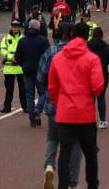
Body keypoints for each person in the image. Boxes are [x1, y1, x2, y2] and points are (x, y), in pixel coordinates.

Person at [48, 22, 104, 189]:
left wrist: (60, 103)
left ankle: (63, 186)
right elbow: (98, 87)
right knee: (90, 154)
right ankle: (92, 185)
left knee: (65, 153)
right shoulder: (92, 59)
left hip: (65, 113)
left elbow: (52, 87)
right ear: (87, 37)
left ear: (72, 35)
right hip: (85, 114)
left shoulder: (58, 58)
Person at [37, 23, 82, 189]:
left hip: (54, 105)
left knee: (52, 138)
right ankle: (72, 181)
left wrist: (47, 93)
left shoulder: (50, 53)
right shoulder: (81, 54)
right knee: (76, 143)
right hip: (75, 106)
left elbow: (41, 77)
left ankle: (49, 166)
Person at [86, 27, 109, 129]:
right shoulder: (107, 48)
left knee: (90, 99)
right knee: (101, 98)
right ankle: (102, 121)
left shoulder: (86, 47)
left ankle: (89, 120)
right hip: (102, 76)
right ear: (102, 35)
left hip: (89, 76)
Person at [17, 19, 51, 127]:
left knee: (29, 96)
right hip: (41, 72)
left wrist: (23, 65)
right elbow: (48, 56)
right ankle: (38, 109)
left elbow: (17, 57)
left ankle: (32, 119)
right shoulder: (43, 40)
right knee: (43, 92)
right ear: (38, 28)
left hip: (27, 71)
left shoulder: (22, 41)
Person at [0, 20, 27, 113]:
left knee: (23, 89)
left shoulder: (23, 38)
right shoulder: (6, 38)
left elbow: (25, 51)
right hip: (9, 68)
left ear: (20, 28)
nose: (15, 28)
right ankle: (7, 107)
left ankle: (25, 106)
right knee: (9, 90)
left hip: (20, 68)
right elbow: (3, 50)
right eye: (13, 27)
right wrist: (11, 57)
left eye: (17, 27)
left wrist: (17, 58)